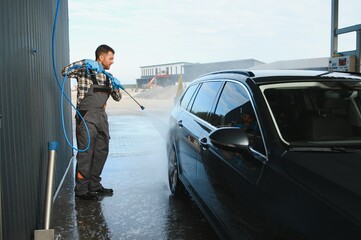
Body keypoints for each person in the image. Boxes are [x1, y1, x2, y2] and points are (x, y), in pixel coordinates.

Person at [62, 44, 123, 200]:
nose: (113, 61)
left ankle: (94, 185)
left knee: (102, 151)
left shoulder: (108, 77)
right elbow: (65, 71)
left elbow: (117, 98)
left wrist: (116, 86)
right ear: (101, 57)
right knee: (86, 153)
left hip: (102, 117)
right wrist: (84, 62)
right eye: (111, 58)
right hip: (86, 117)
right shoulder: (84, 71)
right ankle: (82, 190)